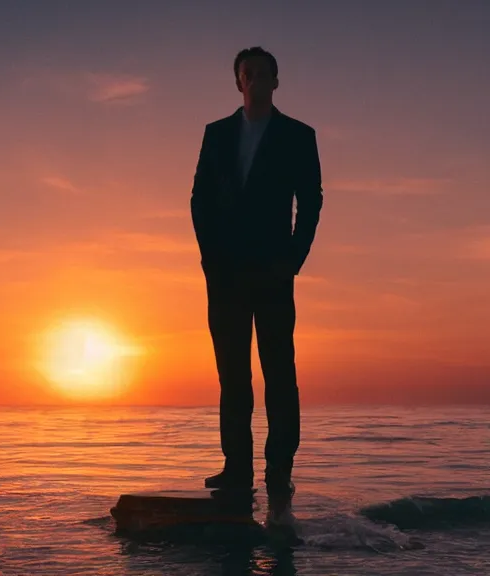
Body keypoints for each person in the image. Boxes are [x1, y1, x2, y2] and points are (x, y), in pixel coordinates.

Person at [189, 47, 323, 503]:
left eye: (264, 73)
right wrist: (210, 260)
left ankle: (279, 471)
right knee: (233, 376)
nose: (256, 80)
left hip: (273, 273)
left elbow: (311, 201)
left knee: (279, 374)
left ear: (275, 81)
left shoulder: (298, 136)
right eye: (248, 74)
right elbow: (199, 199)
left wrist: (292, 260)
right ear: (239, 83)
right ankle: (237, 469)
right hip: (225, 276)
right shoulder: (217, 134)